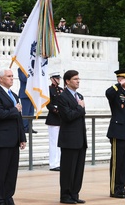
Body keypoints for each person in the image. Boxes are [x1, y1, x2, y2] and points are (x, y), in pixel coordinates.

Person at [0, 69, 27, 205]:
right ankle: (0, 199)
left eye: (12, 76)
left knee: (11, 172)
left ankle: (8, 197)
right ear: (0, 79)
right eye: (9, 76)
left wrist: (22, 137)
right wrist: (15, 109)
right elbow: (0, 114)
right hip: (1, 140)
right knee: (1, 172)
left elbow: (18, 119)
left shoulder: (15, 95)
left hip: (14, 139)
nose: (12, 78)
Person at [57, 70, 87, 204]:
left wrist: (80, 109)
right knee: (68, 169)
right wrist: (80, 108)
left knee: (78, 169)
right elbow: (68, 116)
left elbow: (80, 115)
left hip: (80, 138)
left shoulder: (79, 95)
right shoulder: (62, 96)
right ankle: (65, 195)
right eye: (75, 79)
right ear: (67, 81)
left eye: (78, 78)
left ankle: (75, 193)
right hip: (69, 139)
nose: (78, 81)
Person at [105, 68, 125, 199]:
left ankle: (121, 187)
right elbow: (108, 93)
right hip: (118, 131)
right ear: (120, 79)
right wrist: (119, 83)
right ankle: (114, 189)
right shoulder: (116, 91)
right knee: (117, 162)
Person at [45, 72, 63, 172]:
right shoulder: (49, 89)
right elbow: (48, 105)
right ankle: (53, 164)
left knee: (60, 141)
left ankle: (59, 162)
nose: (58, 80)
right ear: (52, 79)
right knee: (53, 142)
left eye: (59, 78)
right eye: (56, 78)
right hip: (53, 118)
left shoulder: (61, 90)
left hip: (61, 119)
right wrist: (57, 110)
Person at [18, 68, 37, 133]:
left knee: (31, 112)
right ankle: (24, 127)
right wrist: (33, 77)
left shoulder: (32, 69)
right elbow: (23, 78)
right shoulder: (21, 68)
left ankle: (29, 127)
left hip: (32, 94)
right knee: (26, 112)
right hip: (25, 94)